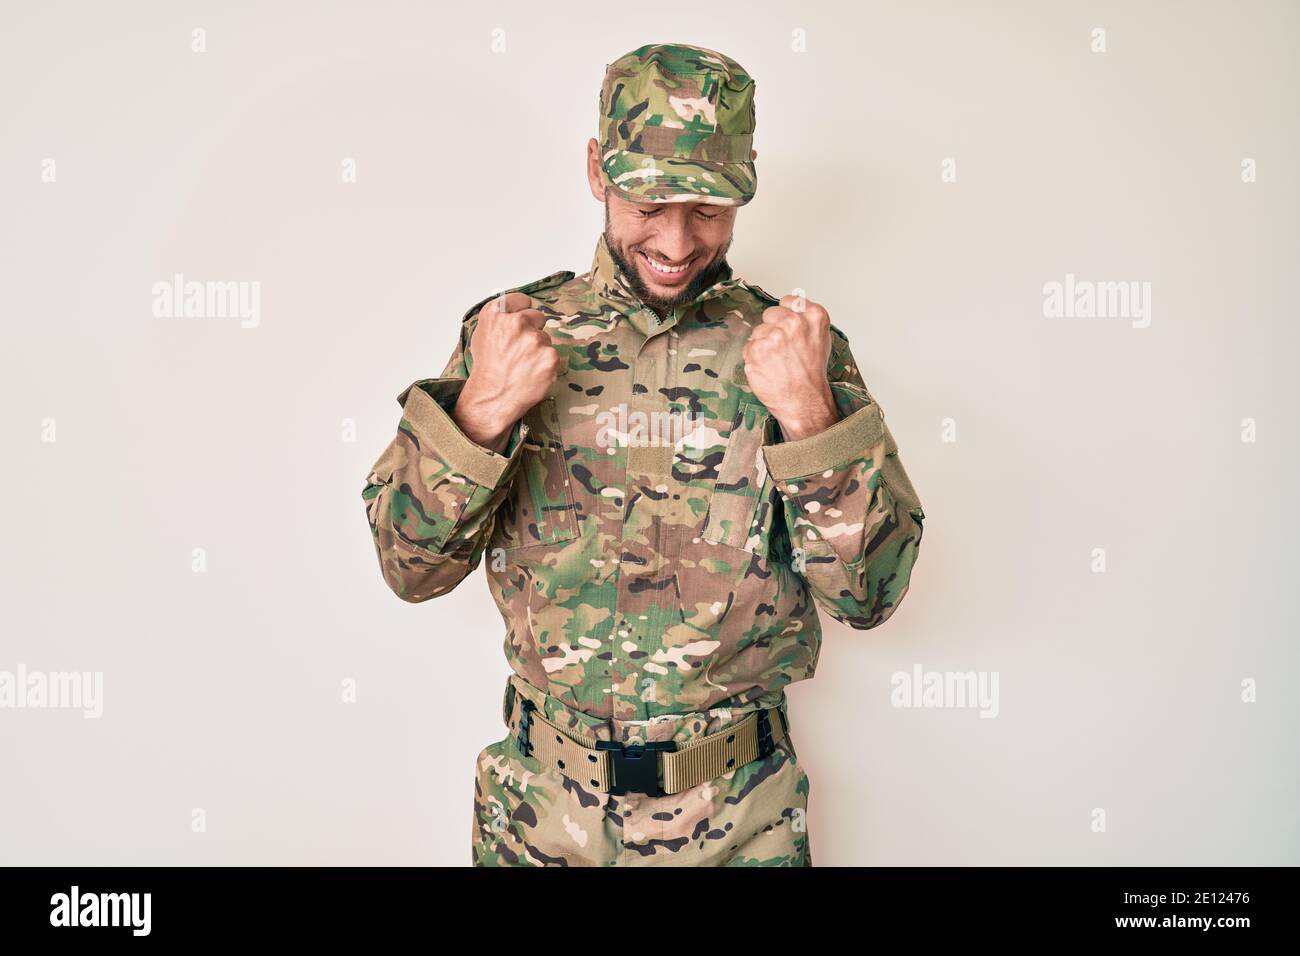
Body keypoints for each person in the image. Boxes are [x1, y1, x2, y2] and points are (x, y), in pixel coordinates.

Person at [361, 42, 926, 866]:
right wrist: (481, 411)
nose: (675, 239)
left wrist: (809, 414)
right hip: (539, 819)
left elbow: (872, 597)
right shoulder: (514, 332)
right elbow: (409, 568)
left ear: (747, 179)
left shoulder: (796, 348)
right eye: (648, 202)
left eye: (708, 207)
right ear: (597, 170)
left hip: (738, 824)